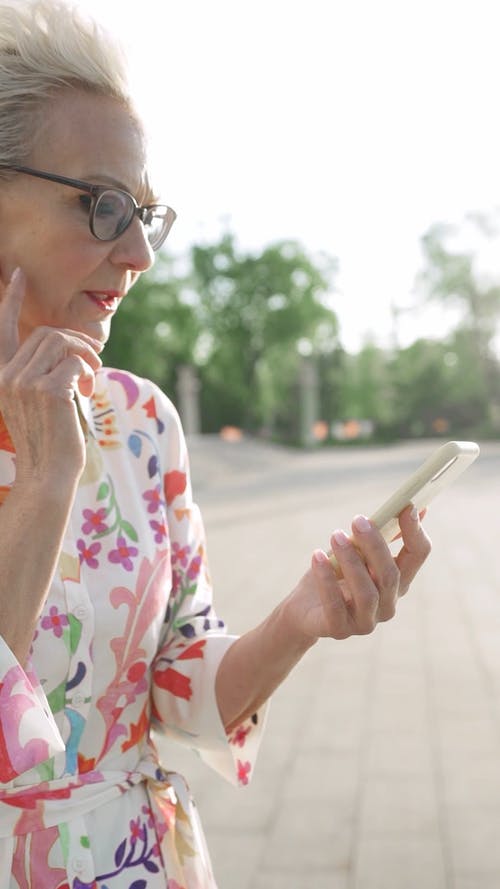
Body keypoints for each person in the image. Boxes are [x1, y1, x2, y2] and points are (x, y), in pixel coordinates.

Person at [0, 1, 432, 886]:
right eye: (104, 205)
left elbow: (174, 690)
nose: (139, 256)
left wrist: (299, 619)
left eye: (144, 214)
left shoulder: (142, 421)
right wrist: (43, 493)